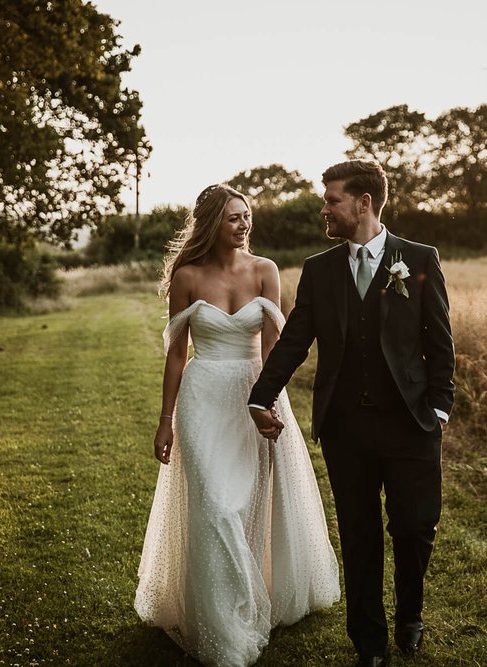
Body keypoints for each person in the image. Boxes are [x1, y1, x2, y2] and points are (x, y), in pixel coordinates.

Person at [249, 160, 455, 667]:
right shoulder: (320, 269)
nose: (324, 208)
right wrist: (261, 395)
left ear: (364, 203)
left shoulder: (418, 257)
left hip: (411, 424)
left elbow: (439, 341)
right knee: (359, 535)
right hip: (346, 429)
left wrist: (440, 409)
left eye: (332, 199)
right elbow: (295, 339)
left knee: (413, 527)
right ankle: (369, 643)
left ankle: (410, 613)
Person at [134, 184, 340, 667]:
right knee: (216, 506)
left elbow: (275, 346)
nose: (244, 224)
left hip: (255, 392)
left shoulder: (265, 271)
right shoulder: (187, 276)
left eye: (247, 216)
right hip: (204, 398)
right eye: (233, 218)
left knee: (250, 502)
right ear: (212, 224)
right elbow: (177, 355)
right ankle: (221, 619)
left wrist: (268, 401)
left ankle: (258, 592)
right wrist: (166, 420)